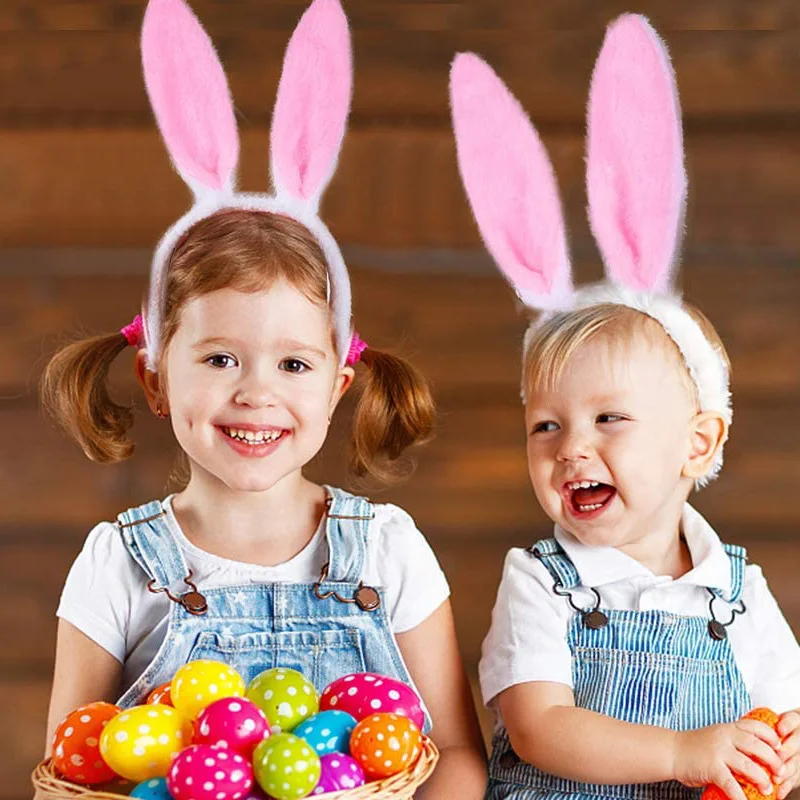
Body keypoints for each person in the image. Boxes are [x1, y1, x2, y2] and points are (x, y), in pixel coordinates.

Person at [40, 0, 487, 795]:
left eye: (293, 366)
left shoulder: (386, 549)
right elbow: (78, 766)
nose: (255, 393)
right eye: (218, 357)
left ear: (336, 388)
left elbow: (454, 755)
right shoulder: (120, 565)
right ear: (154, 378)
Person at [449, 13, 800, 800]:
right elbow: (540, 725)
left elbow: (783, 712)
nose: (571, 446)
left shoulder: (738, 594)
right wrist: (683, 750)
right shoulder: (541, 582)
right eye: (546, 425)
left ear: (698, 443)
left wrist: (785, 752)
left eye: (610, 419)